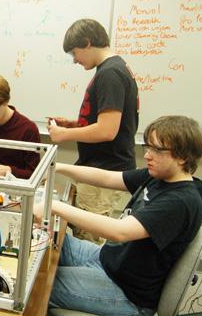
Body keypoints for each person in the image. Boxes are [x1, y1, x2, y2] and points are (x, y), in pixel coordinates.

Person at [36, 115, 202, 314]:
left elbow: (119, 232)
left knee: (36, 287)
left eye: (157, 150)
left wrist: (55, 206)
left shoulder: (181, 201)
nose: (148, 155)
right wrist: (59, 167)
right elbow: (108, 177)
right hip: (109, 259)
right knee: (49, 241)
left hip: (127, 292)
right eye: (147, 147)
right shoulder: (160, 176)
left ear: (182, 156)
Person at [48, 18, 139, 243]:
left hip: (105, 171)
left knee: (87, 242)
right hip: (100, 168)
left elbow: (107, 130)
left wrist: (64, 135)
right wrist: (73, 124)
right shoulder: (113, 69)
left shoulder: (110, 73)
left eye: (74, 53)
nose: (75, 60)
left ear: (87, 43)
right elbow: (106, 122)